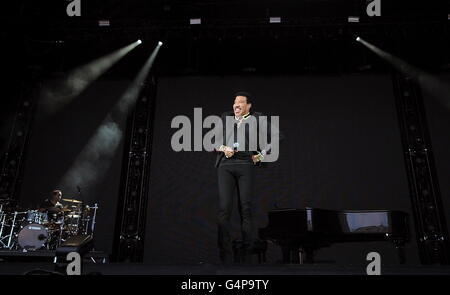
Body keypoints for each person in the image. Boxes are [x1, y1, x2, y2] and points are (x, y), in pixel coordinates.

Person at [215, 91, 279, 264]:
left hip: (246, 164)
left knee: (246, 208)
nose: (236, 105)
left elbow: (276, 138)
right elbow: (214, 142)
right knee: (224, 209)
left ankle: (246, 254)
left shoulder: (257, 118)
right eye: (234, 102)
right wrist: (224, 148)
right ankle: (225, 254)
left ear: (248, 105)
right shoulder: (225, 117)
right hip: (226, 165)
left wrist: (260, 156)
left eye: (240, 102)